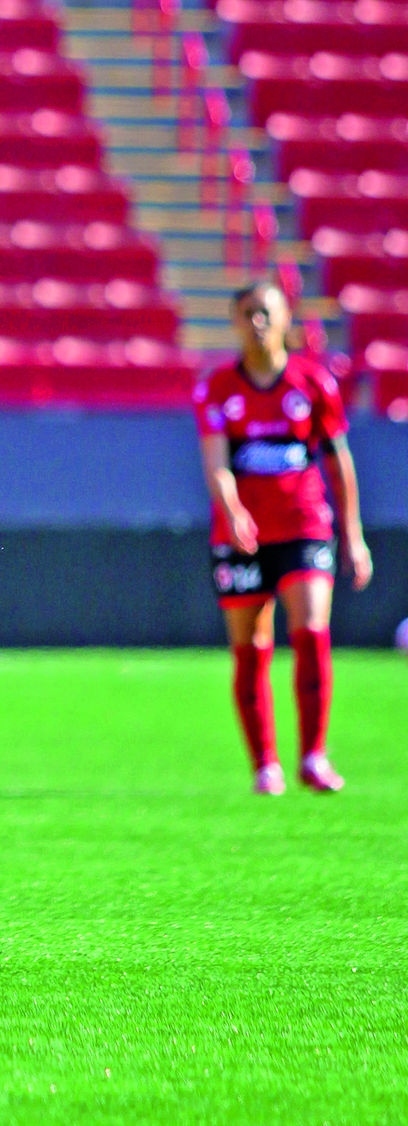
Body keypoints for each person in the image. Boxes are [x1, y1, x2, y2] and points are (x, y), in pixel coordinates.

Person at [196, 282, 372, 795]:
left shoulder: (312, 382)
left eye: (266, 313)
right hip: (242, 537)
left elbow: (339, 461)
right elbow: (217, 462)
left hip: (304, 526)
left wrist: (353, 535)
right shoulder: (217, 388)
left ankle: (314, 755)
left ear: (285, 318)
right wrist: (233, 512)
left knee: (311, 630)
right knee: (251, 648)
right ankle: (265, 765)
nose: (257, 322)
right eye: (248, 313)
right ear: (234, 321)